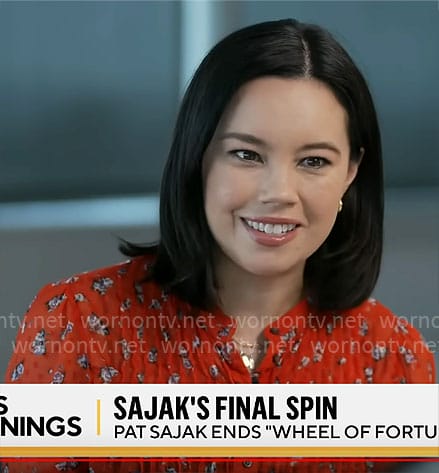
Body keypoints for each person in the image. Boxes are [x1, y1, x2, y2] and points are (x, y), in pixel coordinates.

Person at [3, 18, 435, 473]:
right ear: (198, 157)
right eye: (246, 154)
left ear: (350, 172)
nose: (279, 192)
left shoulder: (391, 356)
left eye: (314, 161)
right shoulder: (78, 324)